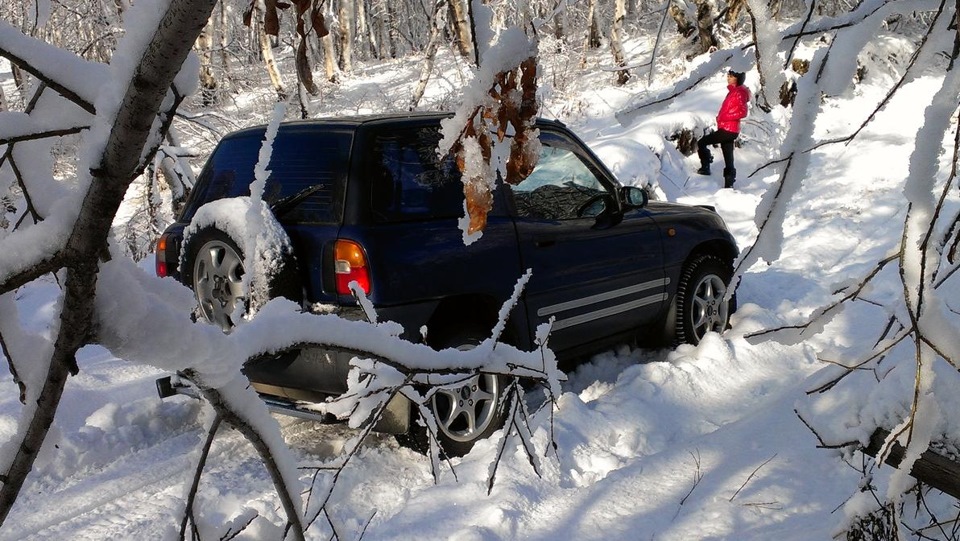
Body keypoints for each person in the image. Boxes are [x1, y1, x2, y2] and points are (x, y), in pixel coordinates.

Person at [697, 70, 750, 188]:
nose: (728, 78)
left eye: (731, 76)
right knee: (728, 156)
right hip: (729, 129)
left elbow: (743, 112)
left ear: (738, 78)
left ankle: (705, 167)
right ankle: (729, 183)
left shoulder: (739, 92)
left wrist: (725, 117)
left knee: (702, 142)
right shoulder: (733, 91)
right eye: (728, 75)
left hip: (728, 129)